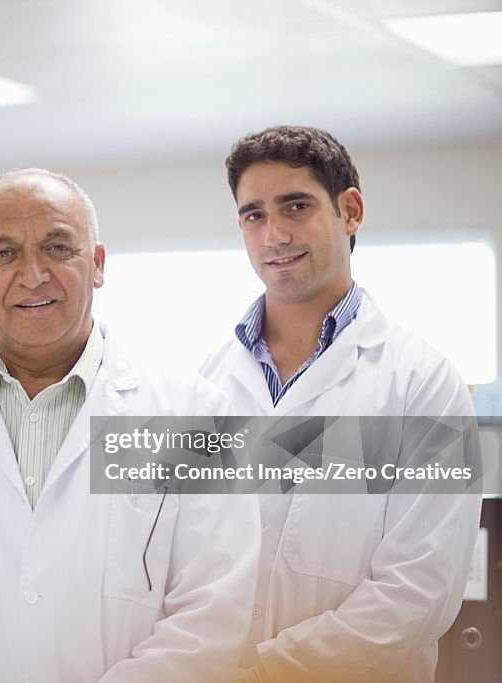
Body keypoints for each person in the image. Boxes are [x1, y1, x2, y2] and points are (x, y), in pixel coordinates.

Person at [0, 168, 260, 682]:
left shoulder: (194, 415)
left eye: (58, 248)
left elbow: (213, 611)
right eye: (5, 253)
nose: (32, 274)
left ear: (97, 264)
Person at [199, 126, 481, 682]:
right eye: (253, 215)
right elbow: (176, 559)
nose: (273, 233)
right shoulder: (205, 382)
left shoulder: (422, 383)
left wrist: (265, 672)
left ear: (349, 211)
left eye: (295, 206)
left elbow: (420, 589)